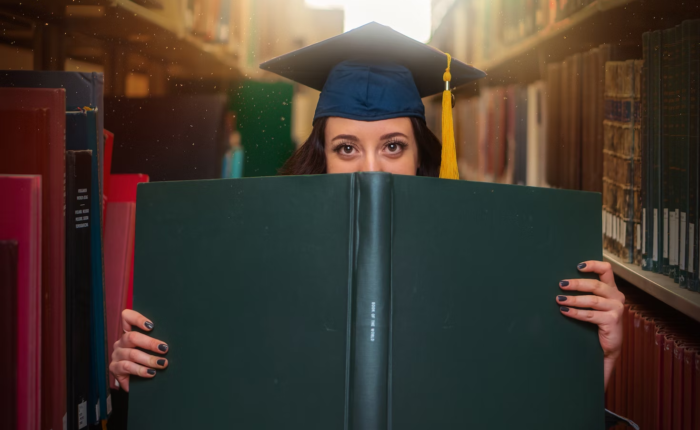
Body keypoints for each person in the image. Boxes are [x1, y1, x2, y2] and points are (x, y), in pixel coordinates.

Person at [109, 22, 635, 428]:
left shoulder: (482, 261)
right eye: (346, 148)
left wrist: (594, 362)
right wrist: (142, 385)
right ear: (322, 158)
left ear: (420, 156)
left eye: (392, 146)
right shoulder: (251, 256)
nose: (370, 170)